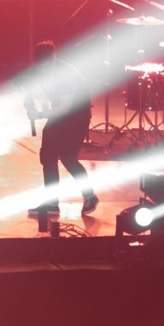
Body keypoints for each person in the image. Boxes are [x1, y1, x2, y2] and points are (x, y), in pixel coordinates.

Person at [28, 39, 98, 216]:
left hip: (76, 118)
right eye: (40, 67)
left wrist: (40, 114)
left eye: (46, 67)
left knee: (68, 158)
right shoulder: (42, 71)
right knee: (47, 157)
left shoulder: (66, 74)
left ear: (53, 59)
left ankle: (90, 196)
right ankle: (51, 203)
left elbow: (65, 108)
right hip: (58, 117)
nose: (43, 71)